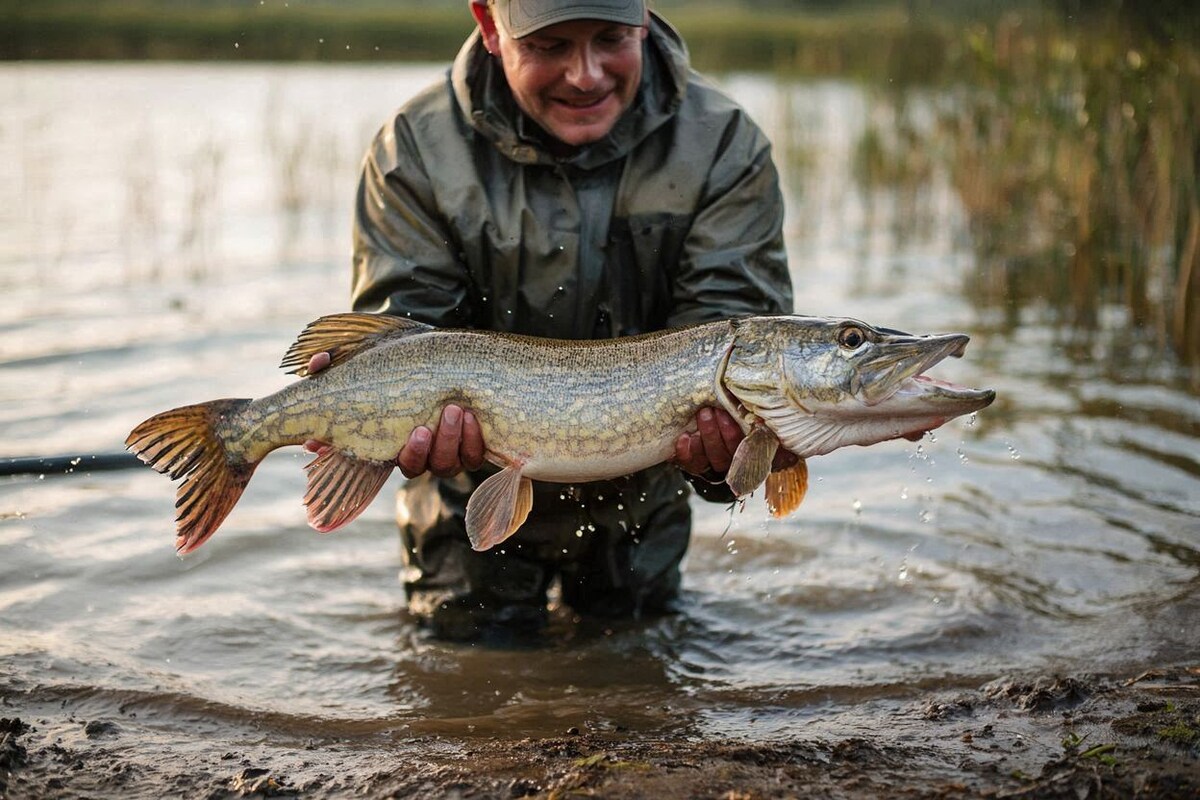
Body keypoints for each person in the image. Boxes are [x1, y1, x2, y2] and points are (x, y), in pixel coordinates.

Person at [310, 0, 794, 639]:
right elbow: (406, 328)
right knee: (462, 702)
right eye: (549, 46)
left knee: (640, 693)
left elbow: (733, 330)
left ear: (644, 18)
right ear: (489, 25)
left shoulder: (724, 144)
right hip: (465, 509)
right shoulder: (415, 150)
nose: (586, 74)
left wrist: (724, 460)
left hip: (642, 508)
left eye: (611, 38)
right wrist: (378, 411)